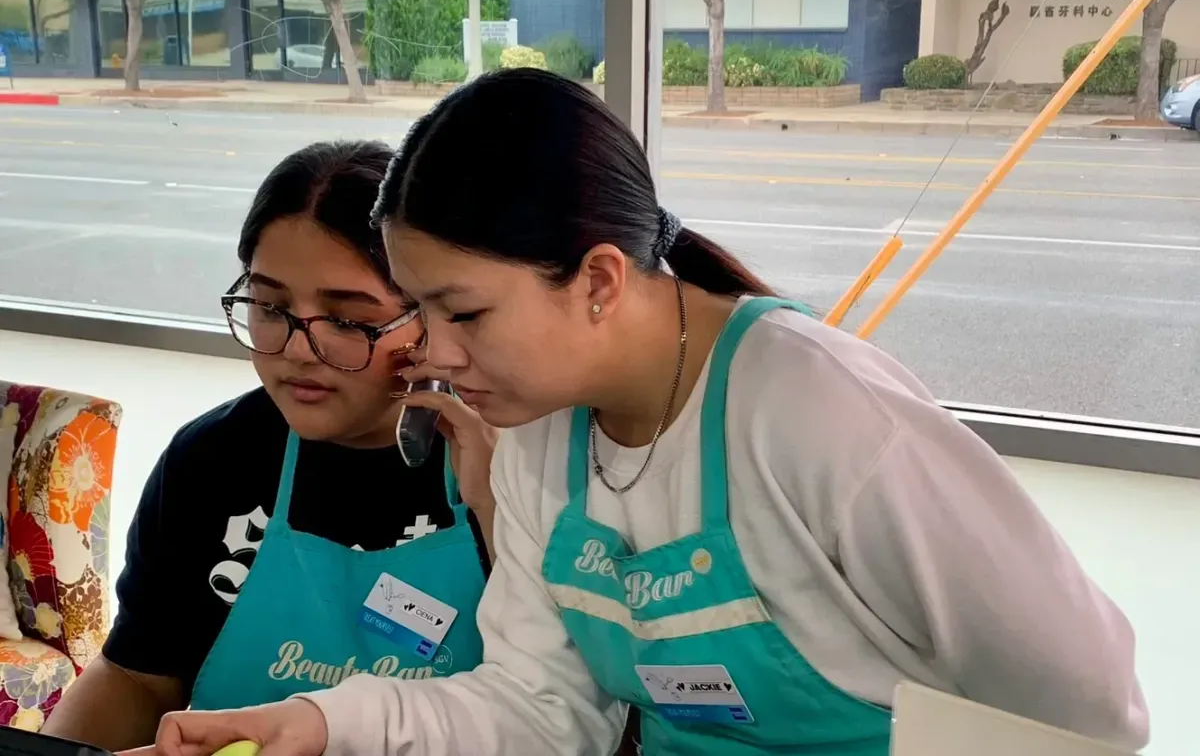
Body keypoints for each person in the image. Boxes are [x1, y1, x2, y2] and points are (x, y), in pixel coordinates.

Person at [149, 71, 1149, 756]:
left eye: (464, 314)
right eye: (417, 310)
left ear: (597, 279)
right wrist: (322, 722)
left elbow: (1091, 707)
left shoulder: (816, 413)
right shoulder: (540, 431)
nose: (434, 354)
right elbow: (544, 712)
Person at [43, 140, 497, 752]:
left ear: (432, 317)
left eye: (347, 320)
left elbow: (562, 698)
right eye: (270, 306)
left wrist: (499, 512)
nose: (296, 349)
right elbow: (139, 674)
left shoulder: (501, 464)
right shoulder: (212, 460)